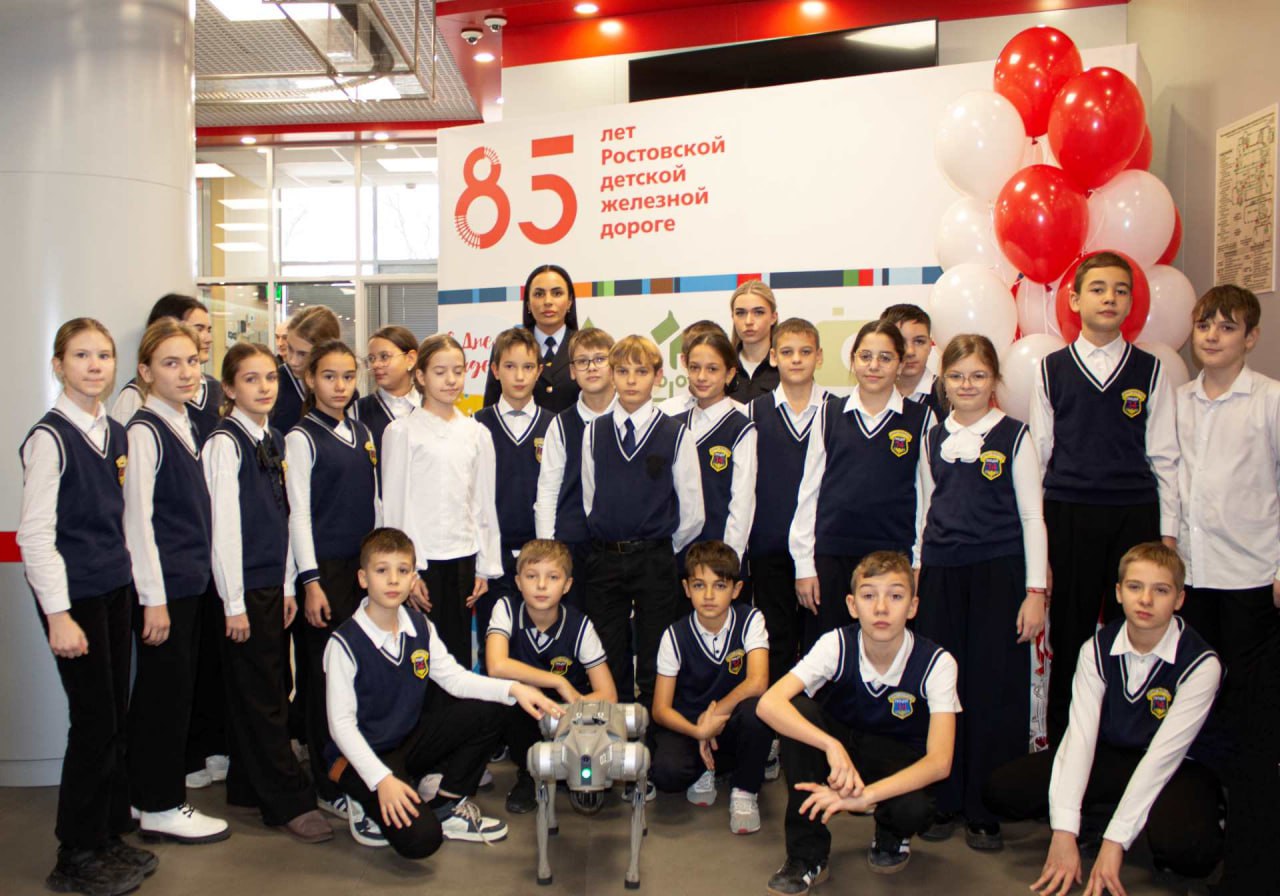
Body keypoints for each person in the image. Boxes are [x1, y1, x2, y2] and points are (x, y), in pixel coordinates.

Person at [984, 543, 1224, 895]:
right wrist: (1064, 832)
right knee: (1003, 790)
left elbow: (1162, 757)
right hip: (1114, 756)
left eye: (1160, 590)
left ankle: (1137, 821)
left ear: (1179, 599)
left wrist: (1114, 844)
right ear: (1118, 592)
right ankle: (1099, 815)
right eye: (1135, 587)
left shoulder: (1201, 664)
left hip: (1179, 767)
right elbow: (1080, 740)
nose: (1145, 600)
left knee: (1187, 850)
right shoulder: (1095, 650)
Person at [18, 318, 158, 895]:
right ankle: (74, 853)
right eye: (81, 355)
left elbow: (127, 523)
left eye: (103, 355)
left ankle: (106, 835)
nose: (95, 365)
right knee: (94, 723)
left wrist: (143, 594)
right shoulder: (49, 438)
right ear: (58, 365)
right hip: (73, 599)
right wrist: (58, 614)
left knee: (114, 719)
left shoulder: (115, 433)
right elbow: (34, 536)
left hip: (113, 589)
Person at [323, 528, 564, 855]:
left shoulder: (419, 626)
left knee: (495, 706)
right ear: (363, 578)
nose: (393, 580)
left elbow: (455, 679)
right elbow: (341, 726)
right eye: (382, 570)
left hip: (406, 744)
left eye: (403, 570)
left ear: (413, 578)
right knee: (422, 841)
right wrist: (381, 779)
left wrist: (515, 689)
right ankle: (363, 800)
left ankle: (446, 805)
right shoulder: (344, 643)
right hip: (358, 758)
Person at [1028, 251, 1179, 743]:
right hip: (1069, 513)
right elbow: (1040, 459)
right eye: (1097, 289)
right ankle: (1063, 744)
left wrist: (1168, 536)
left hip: (1134, 516)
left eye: (1120, 290)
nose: (1109, 298)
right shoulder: (1050, 370)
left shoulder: (1150, 371)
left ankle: (1125, 740)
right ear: (1074, 300)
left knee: (1133, 634)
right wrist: (1039, 543)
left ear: (1131, 302)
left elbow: (1165, 458)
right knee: (1070, 633)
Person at [912, 334, 1047, 850]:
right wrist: (919, 570)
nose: (966, 385)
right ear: (943, 382)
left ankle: (984, 807)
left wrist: (1036, 590)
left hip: (999, 574)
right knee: (943, 687)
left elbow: (1033, 517)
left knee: (992, 689)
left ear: (995, 380)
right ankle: (943, 798)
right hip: (942, 573)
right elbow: (925, 510)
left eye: (978, 376)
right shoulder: (932, 438)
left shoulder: (1014, 436)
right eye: (956, 376)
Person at [757, 551, 959, 893]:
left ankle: (891, 833)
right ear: (852, 605)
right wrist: (830, 745)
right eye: (868, 596)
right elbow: (768, 704)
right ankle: (807, 855)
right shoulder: (836, 644)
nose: (881, 608)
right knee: (799, 711)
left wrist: (867, 797)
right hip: (842, 753)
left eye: (895, 596)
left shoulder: (937, 663)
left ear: (912, 607)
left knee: (914, 808)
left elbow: (940, 762)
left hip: (895, 759)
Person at [1174, 284, 1280, 894]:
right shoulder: (1180, 402)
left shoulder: (1269, 401)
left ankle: (1250, 850)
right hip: (1194, 583)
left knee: (1250, 720)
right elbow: (1170, 480)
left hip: (1250, 583)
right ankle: (1201, 829)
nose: (1212, 336)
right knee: (1199, 709)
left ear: (1251, 337)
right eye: (1204, 325)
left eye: (1227, 326)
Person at [204, 341, 330, 843]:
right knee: (264, 700)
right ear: (229, 388)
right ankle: (287, 800)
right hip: (242, 591)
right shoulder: (225, 442)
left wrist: (286, 584)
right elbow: (223, 531)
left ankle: (245, 786)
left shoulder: (271, 435)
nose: (263, 387)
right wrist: (234, 603)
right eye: (250, 379)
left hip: (269, 585)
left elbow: (281, 515)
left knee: (268, 689)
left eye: (270, 378)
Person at [122, 319, 229, 844]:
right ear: (145, 372)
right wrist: (153, 599)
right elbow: (137, 521)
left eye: (192, 361)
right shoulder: (144, 431)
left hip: (189, 584)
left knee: (171, 693)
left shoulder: (188, 421)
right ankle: (161, 803)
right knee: (163, 697)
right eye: (171, 363)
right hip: (166, 589)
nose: (187, 373)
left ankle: (145, 796)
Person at [790, 320, 933, 648]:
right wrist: (804, 565)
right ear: (852, 361)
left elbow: (927, 499)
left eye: (885, 357)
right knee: (830, 652)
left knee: (886, 651)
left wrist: (917, 561)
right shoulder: (828, 414)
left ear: (900, 364)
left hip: (893, 556)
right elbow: (809, 493)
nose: (874, 365)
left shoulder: (921, 419)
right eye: (866, 356)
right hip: (832, 555)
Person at [581, 334, 704, 710]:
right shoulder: (594, 431)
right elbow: (590, 498)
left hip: (655, 558)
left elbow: (693, 512)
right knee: (608, 649)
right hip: (606, 558)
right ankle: (615, 728)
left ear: (658, 376)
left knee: (655, 649)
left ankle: (653, 727)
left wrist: (660, 544)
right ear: (611, 375)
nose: (631, 380)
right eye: (622, 371)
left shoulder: (676, 434)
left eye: (641, 371)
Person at [285, 340, 379, 822]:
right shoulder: (301, 437)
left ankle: (356, 768)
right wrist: (310, 581)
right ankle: (326, 782)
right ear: (310, 380)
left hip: (361, 569)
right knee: (324, 680)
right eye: (329, 376)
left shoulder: (361, 431)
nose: (340, 386)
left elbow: (374, 502)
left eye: (347, 376)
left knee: (355, 677)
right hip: (325, 572)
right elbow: (298, 514)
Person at [382, 334, 502, 668]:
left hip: (463, 559)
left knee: (457, 656)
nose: (451, 380)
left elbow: (483, 503)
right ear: (420, 376)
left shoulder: (476, 433)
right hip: (422, 563)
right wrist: (407, 571)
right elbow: (395, 507)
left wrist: (485, 565)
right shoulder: (402, 431)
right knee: (420, 657)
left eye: (458, 371)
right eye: (440, 372)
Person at [484, 538, 616, 814]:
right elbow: (496, 665)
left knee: (596, 717)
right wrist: (558, 681)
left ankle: (576, 765)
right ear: (518, 582)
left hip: (567, 715)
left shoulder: (580, 625)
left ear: (567, 585)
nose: (541, 585)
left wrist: (569, 710)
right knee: (507, 700)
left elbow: (608, 694)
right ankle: (529, 774)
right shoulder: (506, 609)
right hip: (526, 711)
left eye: (553, 577)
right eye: (532, 576)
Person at [652, 541, 771, 834]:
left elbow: (758, 682)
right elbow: (660, 709)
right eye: (699, 585)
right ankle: (710, 767)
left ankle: (745, 790)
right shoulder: (674, 635)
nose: (708, 595)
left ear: (736, 589)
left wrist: (714, 716)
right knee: (666, 774)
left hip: (731, 721)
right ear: (686, 588)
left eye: (719, 585)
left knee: (758, 710)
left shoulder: (751, 620)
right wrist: (700, 732)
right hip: (693, 725)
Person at [746, 319, 827, 686]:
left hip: (818, 549)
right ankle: (775, 716)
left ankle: (815, 716)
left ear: (819, 357)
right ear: (773, 357)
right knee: (775, 641)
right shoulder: (752, 412)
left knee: (820, 642)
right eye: (788, 352)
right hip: (768, 547)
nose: (797, 359)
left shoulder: (836, 411)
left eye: (805, 352)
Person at [474, 328, 555, 673]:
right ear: (495, 370)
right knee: (494, 649)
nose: (519, 376)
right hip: (493, 558)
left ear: (539, 371)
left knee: (542, 647)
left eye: (527, 367)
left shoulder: (555, 426)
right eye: (509, 366)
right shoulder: (476, 426)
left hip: (541, 556)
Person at [533, 327, 616, 612]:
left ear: (614, 366)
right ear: (571, 371)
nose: (591, 367)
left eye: (599, 359)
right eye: (582, 361)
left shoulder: (630, 419)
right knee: (572, 624)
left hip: (617, 546)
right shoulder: (560, 424)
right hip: (572, 544)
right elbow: (547, 491)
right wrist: (548, 551)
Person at [666, 324, 757, 563]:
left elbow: (742, 501)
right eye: (695, 368)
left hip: (720, 554)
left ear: (729, 374)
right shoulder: (674, 425)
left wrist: (730, 557)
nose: (701, 377)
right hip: (676, 552)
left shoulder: (741, 427)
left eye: (712, 369)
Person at [110, 293, 224, 441]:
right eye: (198, 329)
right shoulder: (136, 394)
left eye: (208, 330)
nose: (208, 339)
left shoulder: (214, 388)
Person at [483, 264, 581, 413]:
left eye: (557, 293)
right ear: (528, 304)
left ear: (569, 301)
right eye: (539, 294)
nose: (547, 301)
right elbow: (491, 408)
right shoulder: (507, 345)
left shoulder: (583, 347)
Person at [351, 325, 419, 466]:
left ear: (410, 359)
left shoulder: (430, 408)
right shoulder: (357, 411)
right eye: (371, 358)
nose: (376, 365)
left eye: (384, 357)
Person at [274, 305, 343, 434]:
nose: (293, 361)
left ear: (328, 353)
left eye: (303, 354)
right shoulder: (275, 384)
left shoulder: (344, 392)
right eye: (290, 349)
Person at [880, 304, 941, 418]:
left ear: (930, 344)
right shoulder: (874, 395)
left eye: (919, 341)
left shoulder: (949, 394)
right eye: (900, 342)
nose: (910, 351)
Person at [725, 280, 780, 403]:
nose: (749, 321)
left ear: (773, 317)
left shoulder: (787, 366)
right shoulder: (722, 366)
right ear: (733, 317)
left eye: (758, 312)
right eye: (740, 313)